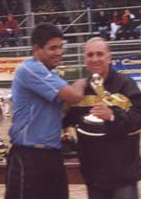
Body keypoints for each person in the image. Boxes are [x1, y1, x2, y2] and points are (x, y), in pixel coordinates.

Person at [5, 23, 86, 199]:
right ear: (36, 49)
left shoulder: (51, 75)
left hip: (51, 153)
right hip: (29, 155)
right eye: (53, 48)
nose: (59, 52)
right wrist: (82, 82)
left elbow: (62, 111)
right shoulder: (30, 69)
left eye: (61, 47)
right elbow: (73, 96)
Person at [63, 37, 141, 199]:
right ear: (84, 59)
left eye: (99, 54)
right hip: (93, 172)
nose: (94, 59)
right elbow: (65, 120)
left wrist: (113, 115)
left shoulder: (125, 84)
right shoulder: (80, 89)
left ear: (109, 58)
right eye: (90, 55)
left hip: (123, 171)